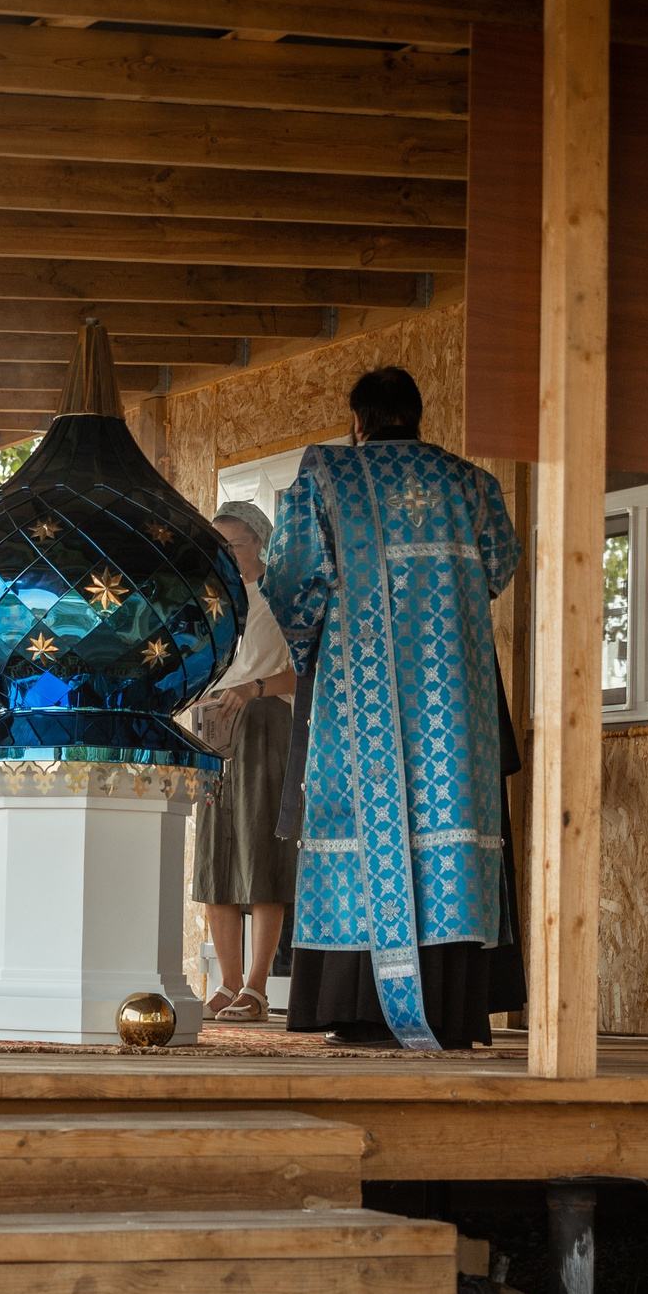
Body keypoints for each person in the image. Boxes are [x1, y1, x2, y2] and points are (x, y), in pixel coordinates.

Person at [263, 366, 525, 1050]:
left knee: (359, 830)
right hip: (452, 698)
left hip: (360, 693)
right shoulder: (470, 484)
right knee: (446, 828)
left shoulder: (327, 478)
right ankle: (448, 1009)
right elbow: (501, 563)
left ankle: (361, 1009)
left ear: (359, 421)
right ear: (417, 416)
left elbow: (290, 578)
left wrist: (309, 634)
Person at [188, 501, 299, 1023]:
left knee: (260, 848)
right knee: (215, 853)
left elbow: (304, 673)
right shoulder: (208, 603)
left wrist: (254, 688)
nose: (224, 556)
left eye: (230, 545)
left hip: (264, 723)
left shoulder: (281, 598)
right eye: (218, 548)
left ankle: (257, 986)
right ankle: (226, 983)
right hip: (213, 731)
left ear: (258, 543)